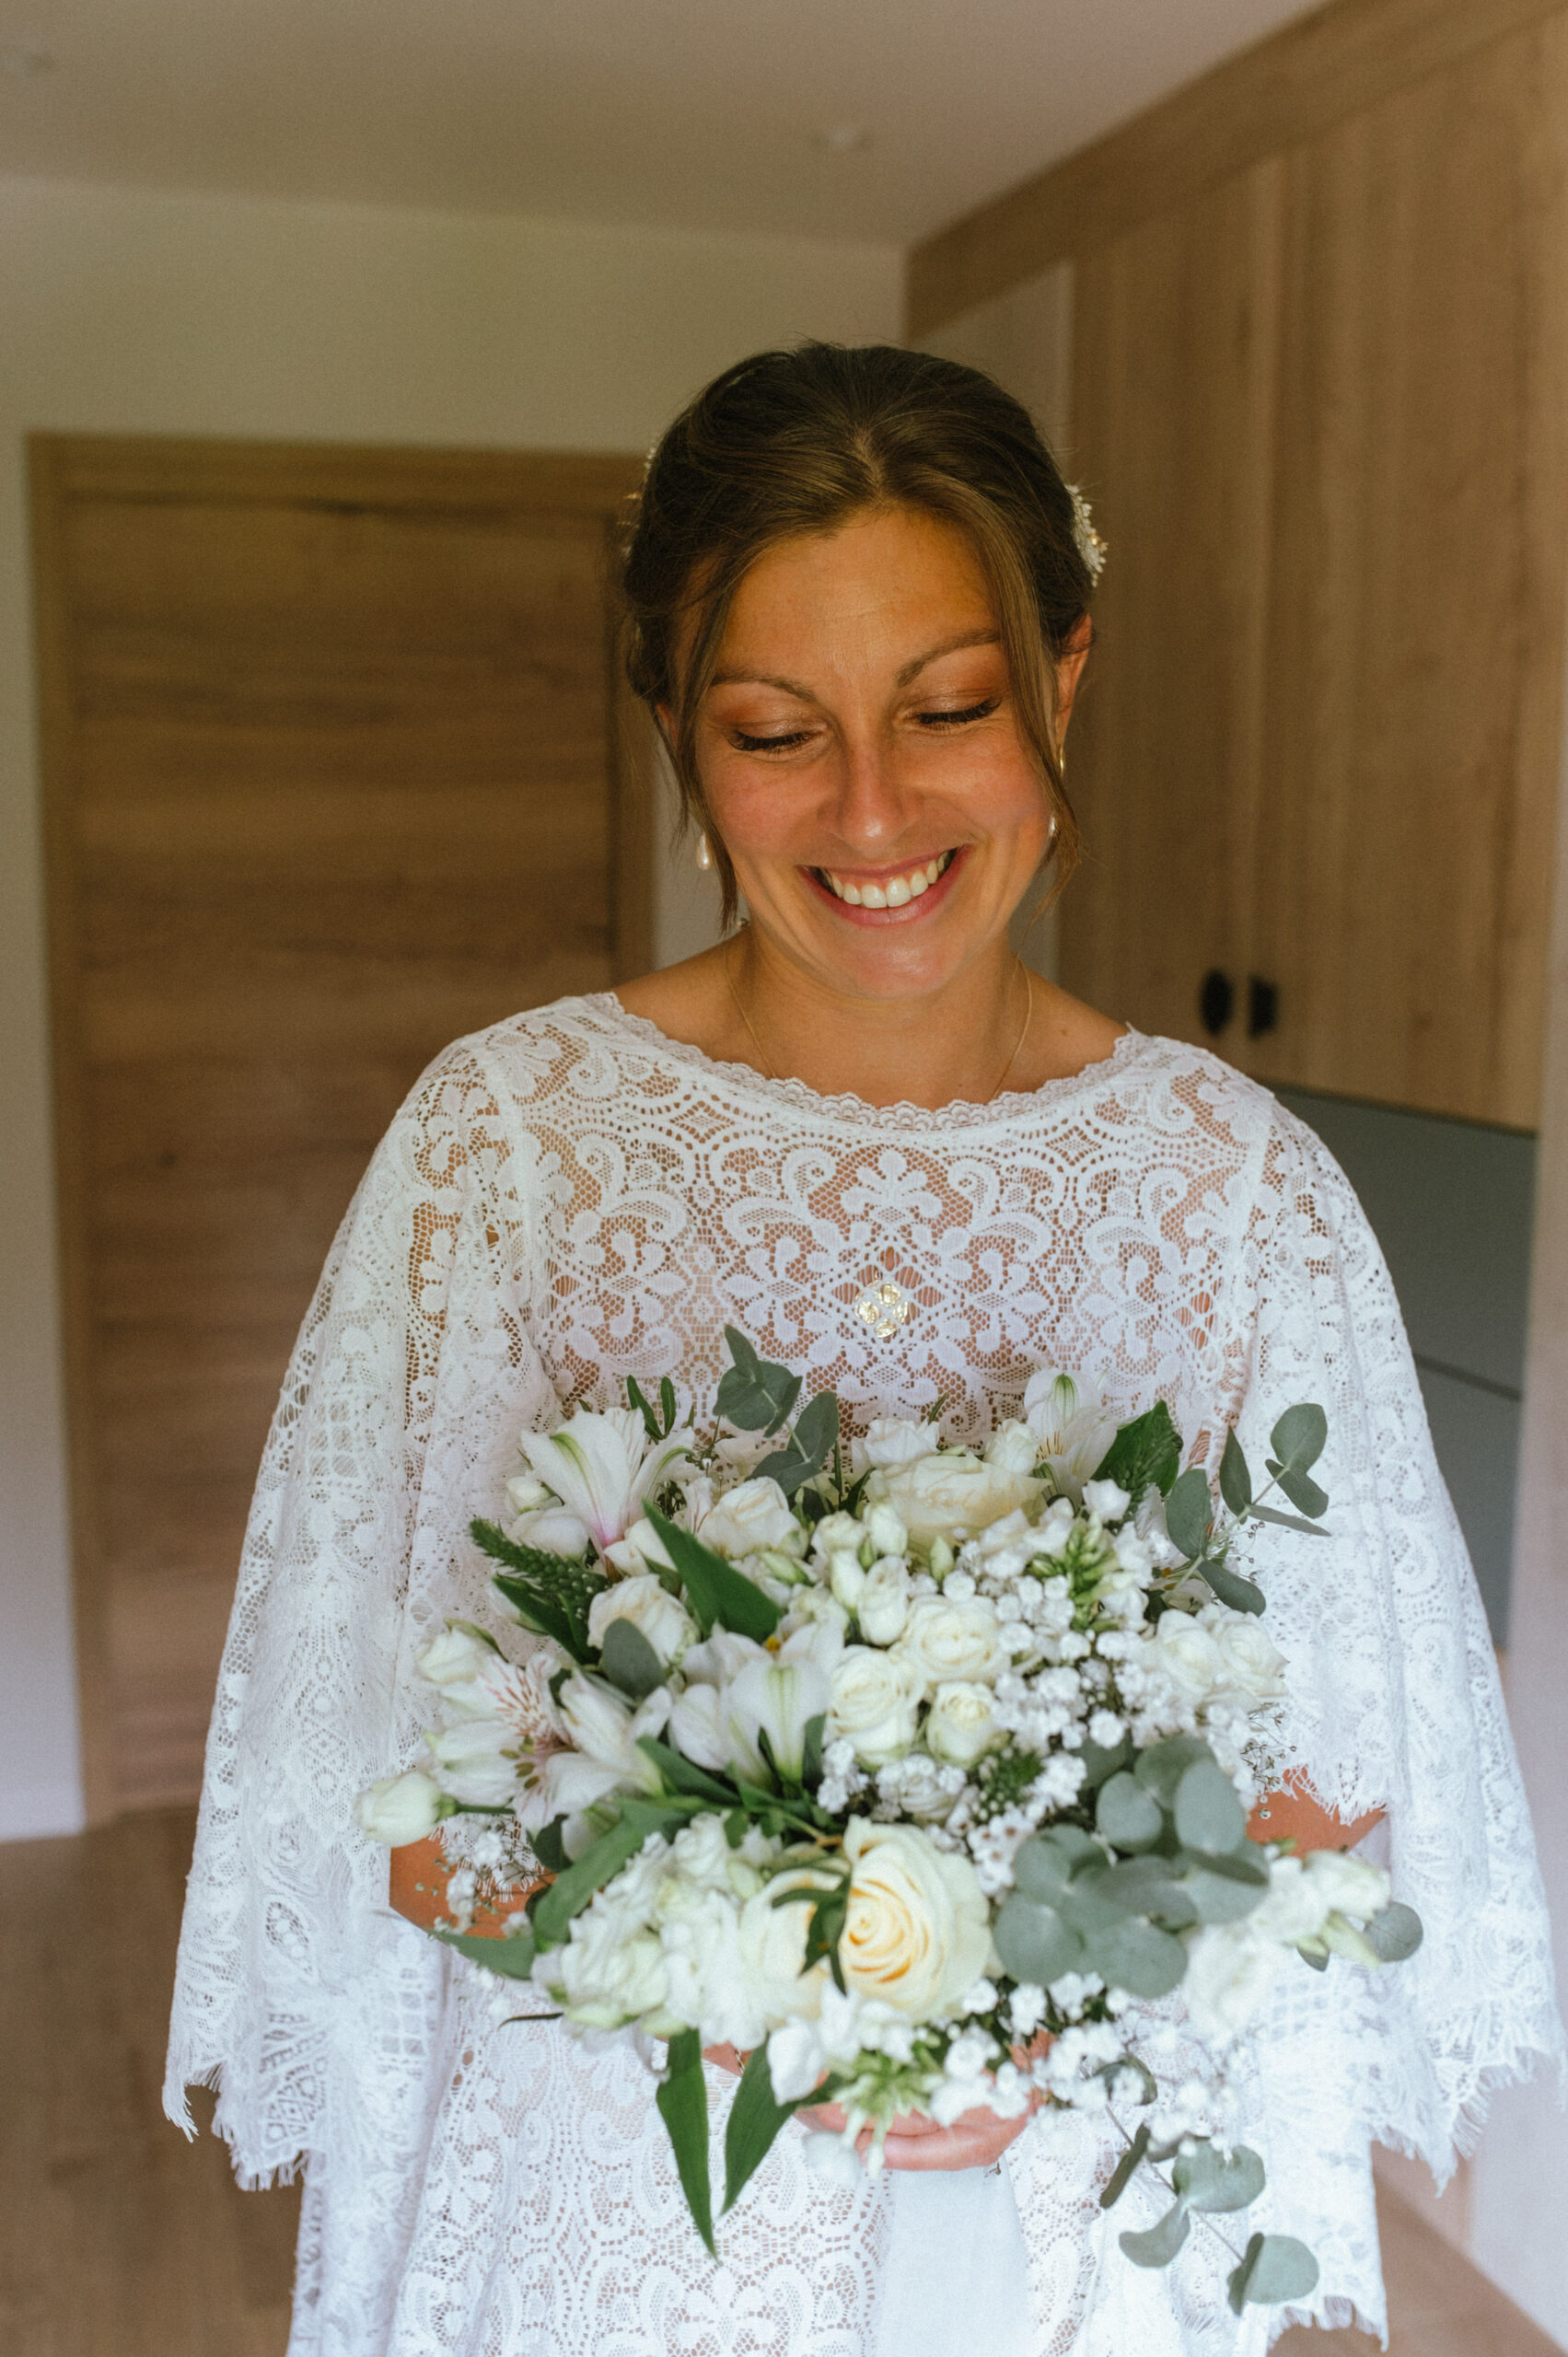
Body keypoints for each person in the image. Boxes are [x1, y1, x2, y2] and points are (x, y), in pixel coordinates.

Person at [166, 343, 1559, 2356]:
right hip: (634, 2211)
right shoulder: (512, 1150)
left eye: (951, 707)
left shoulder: (1235, 1193)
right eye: (775, 731)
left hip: (1070, 2221)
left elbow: (1325, 1789)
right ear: (677, 731)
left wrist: (1031, 2009)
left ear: (1065, 679)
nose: (877, 809)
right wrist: (784, 1995)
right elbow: (390, 1814)